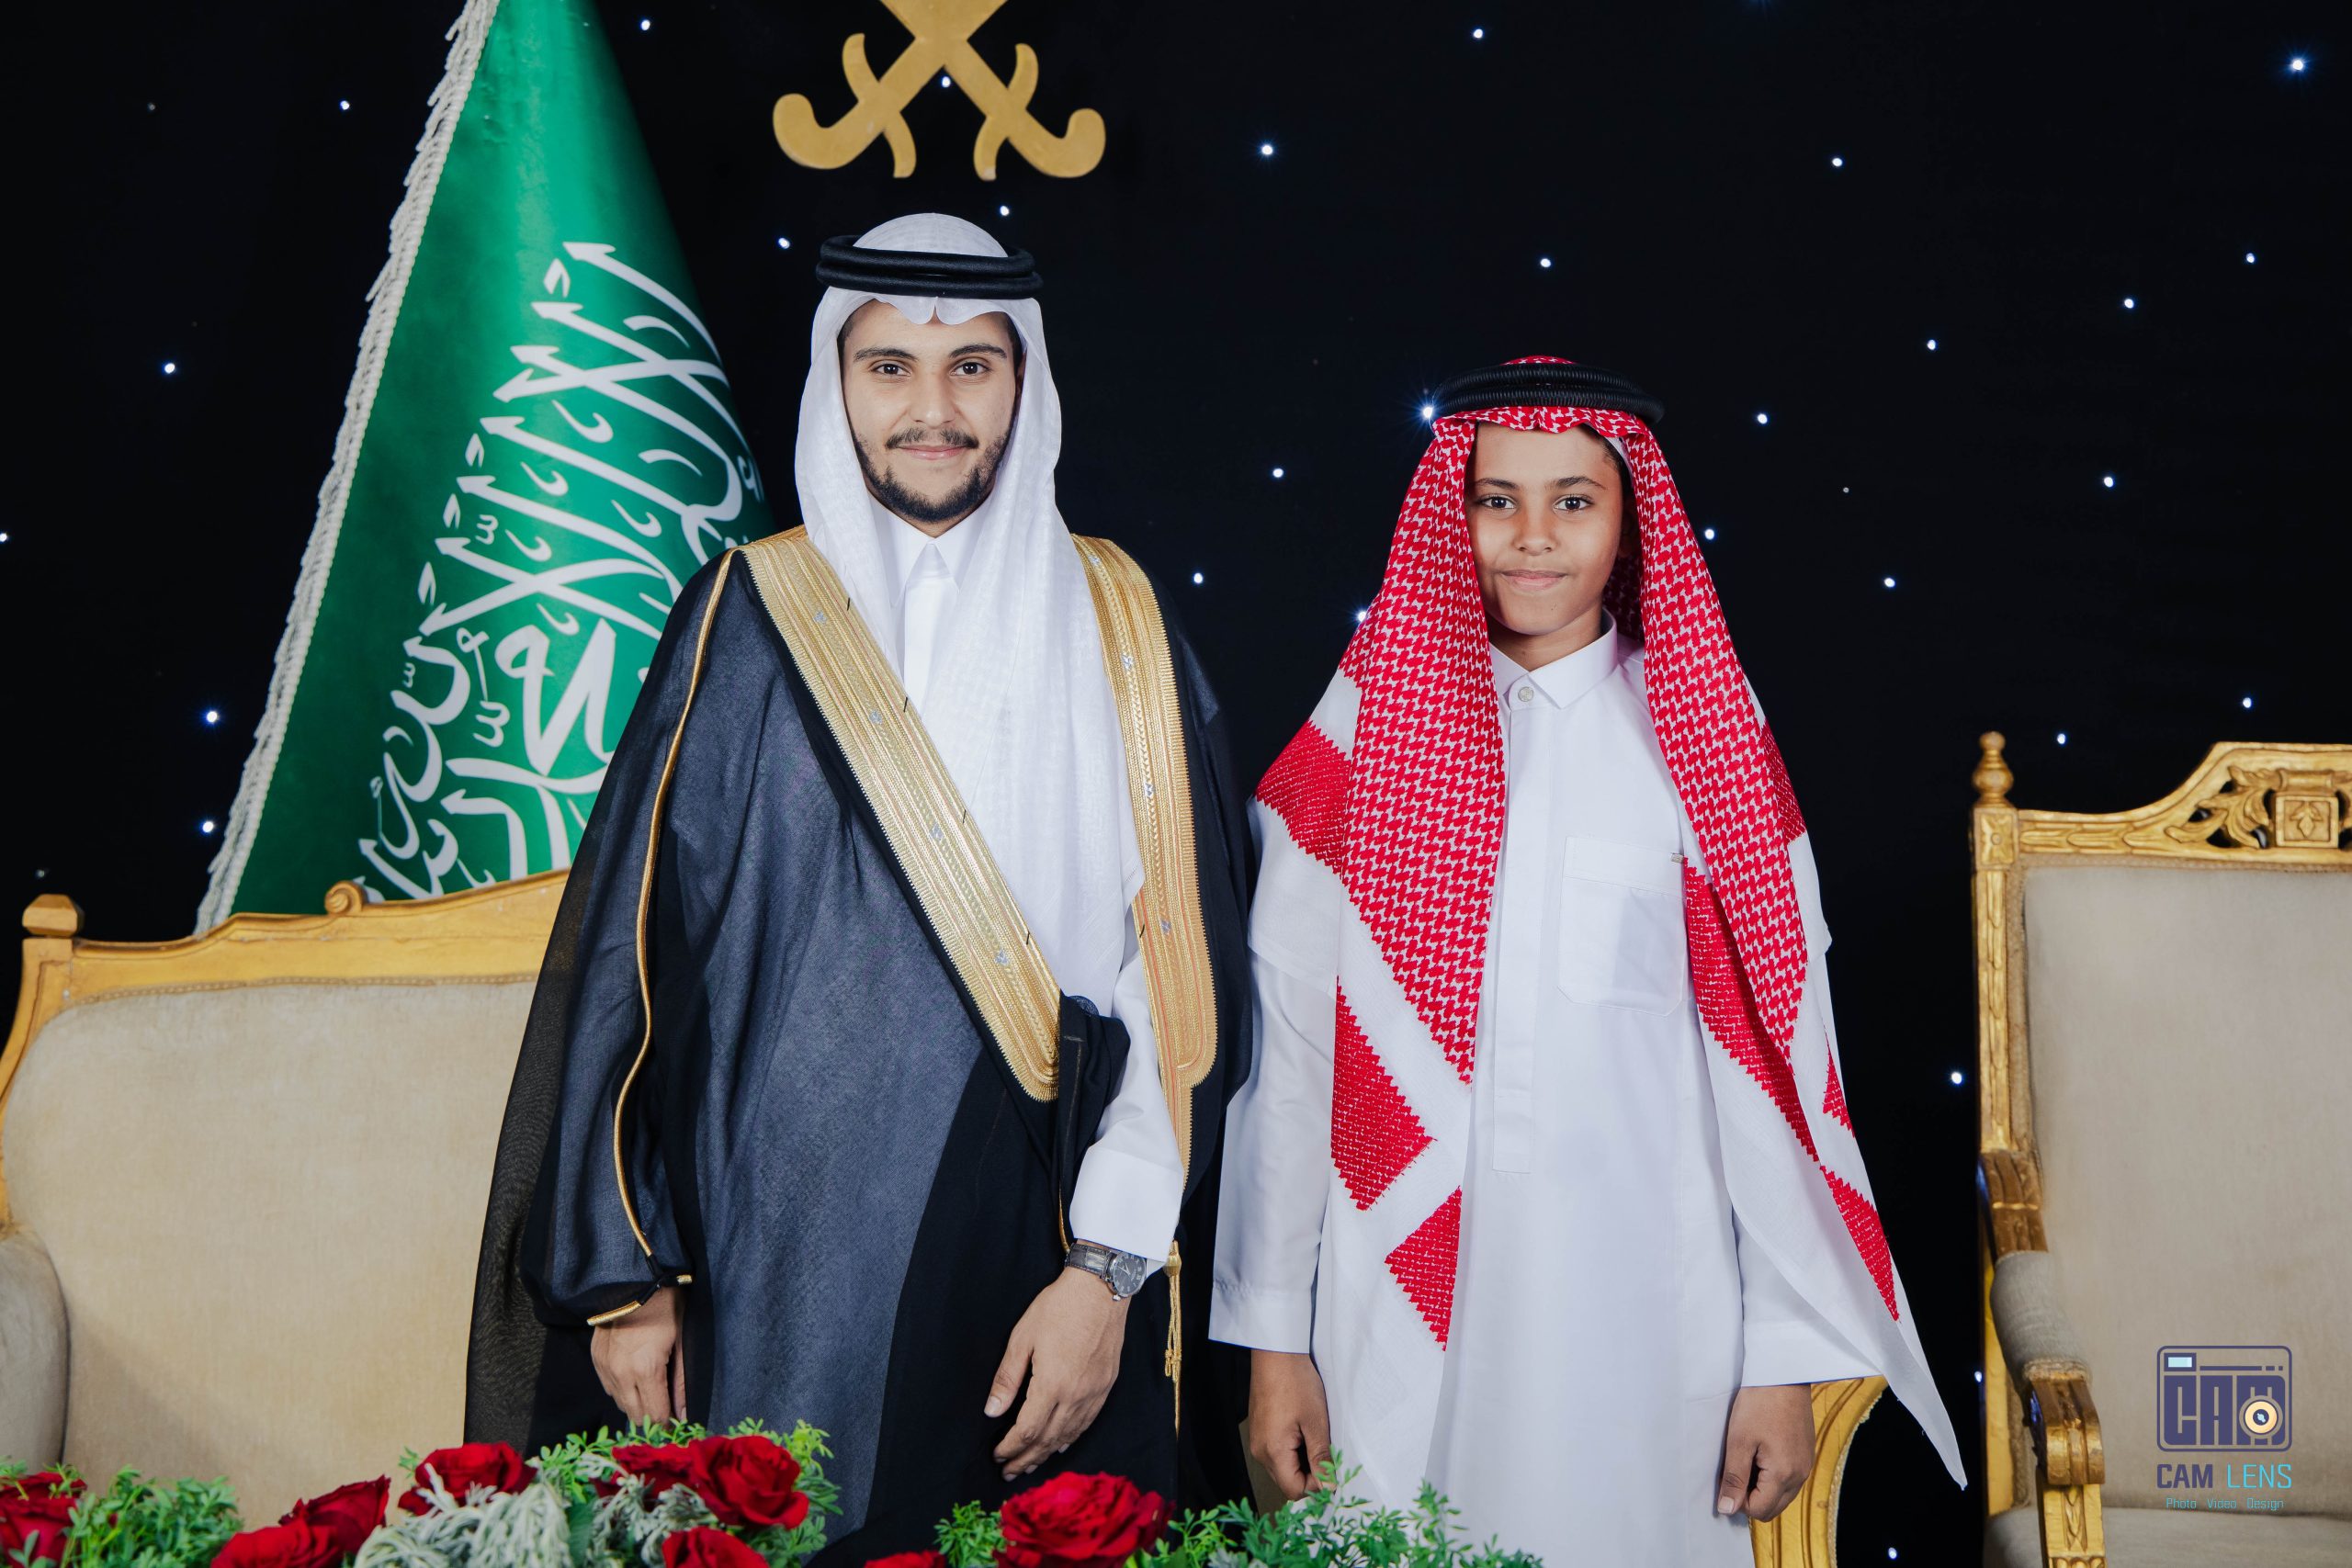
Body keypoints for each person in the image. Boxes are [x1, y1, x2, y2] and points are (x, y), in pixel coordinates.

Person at [465, 214, 1252, 1558]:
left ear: (1024, 383)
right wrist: (625, 1280)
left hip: (1036, 1260)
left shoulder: (1119, 624)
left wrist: (1106, 1275)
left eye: (972, 368)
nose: (932, 409)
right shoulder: (743, 611)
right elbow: (627, 960)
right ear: (838, 381)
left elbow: (1180, 988)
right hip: (761, 1261)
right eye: (890, 367)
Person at [1211, 357, 1963, 1564]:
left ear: (1629, 520)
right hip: (1397, 1307)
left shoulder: (1705, 757)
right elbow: (1292, 1071)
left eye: (1573, 500)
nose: (1532, 538)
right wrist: (1272, 1340)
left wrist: (1780, 1362)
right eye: (1495, 499)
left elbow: (1778, 1085)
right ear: (1450, 515)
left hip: (1651, 1324)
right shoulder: (1356, 752)